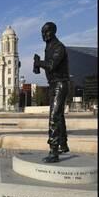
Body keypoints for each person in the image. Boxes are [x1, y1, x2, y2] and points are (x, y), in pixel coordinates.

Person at [33, 22, 70, 163]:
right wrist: (38, 63)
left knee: (54, 117)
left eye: (46, 32)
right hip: (53, 84)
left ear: (53, 32)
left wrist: (39, 63)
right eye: (42, 32)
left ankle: (54, 151)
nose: (44, 35)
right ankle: (63, 145)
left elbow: (52, 65)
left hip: (60, 84)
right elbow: (48, 66)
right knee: (59, 116)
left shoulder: (58, 47)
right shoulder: (48, 47)